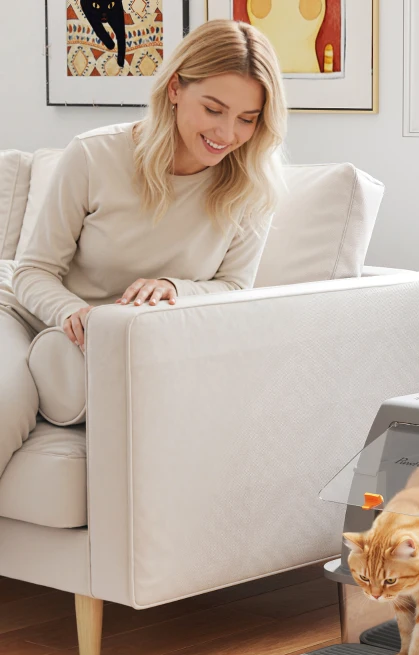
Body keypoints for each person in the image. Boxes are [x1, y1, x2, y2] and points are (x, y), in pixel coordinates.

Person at [0, 19, 287, 478]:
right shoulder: (96, 155)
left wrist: (175, 288)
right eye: (213, 109)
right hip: (29, 316)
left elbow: (235, 287)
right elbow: (31, 271)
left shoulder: (251, 187)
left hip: (128, 346)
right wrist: (79, 315)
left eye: (247, 119)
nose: (227, 133)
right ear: (175, 88)